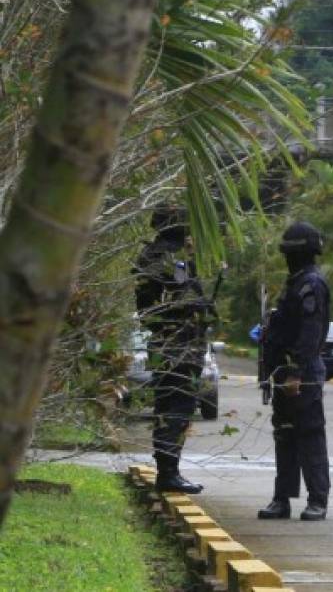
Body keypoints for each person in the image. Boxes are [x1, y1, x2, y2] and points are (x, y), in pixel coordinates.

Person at [134, 206, 213, 494]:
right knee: (179, 406)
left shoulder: (150, 256)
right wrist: (201, 307)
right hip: (180, 344)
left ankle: (167, 469)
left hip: (163, 343)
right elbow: (181, 300)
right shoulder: (172, 259)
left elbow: (146, 310)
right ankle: (169, 472)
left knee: (165, 405)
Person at [257, 221, 332, 521]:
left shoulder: (310, 284)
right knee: (285, 434)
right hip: (284, 368)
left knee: (310, 434)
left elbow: (311, 332)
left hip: (301, 370)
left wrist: (296, 371)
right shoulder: (296, 282)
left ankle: (318, 499)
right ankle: (283, 497)